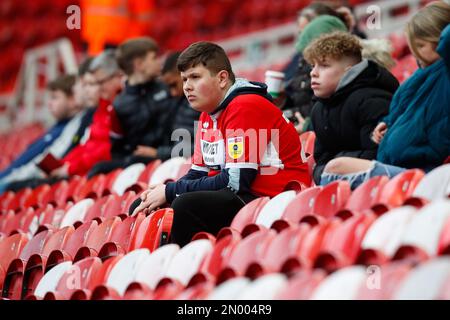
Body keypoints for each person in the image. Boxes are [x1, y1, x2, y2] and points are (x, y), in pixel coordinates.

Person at [131, 42, 311, 246]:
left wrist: (171, 191)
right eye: (184, 80)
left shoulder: (245, 105)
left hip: (276, 196)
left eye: (195, 77)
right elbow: (198, 173)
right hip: (246, 193)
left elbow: (236, 181)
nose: (187, 86)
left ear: (222, 78)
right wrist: (165, 191)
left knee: (186, 205)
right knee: (143, 205)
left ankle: (189, 268)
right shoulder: (209, 113)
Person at [318, 1, 450, 189]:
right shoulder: (417, 79)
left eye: (421, 45)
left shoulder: (446, 71)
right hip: (400, 167)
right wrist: (387, 124)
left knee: (337, 167)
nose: (415, 53)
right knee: (333, 170)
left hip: (427, 175)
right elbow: (402, 113)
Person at [303, 31, 399, 187]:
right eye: (313, 66)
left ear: (349, 71)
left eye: (324, 65)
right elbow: (321, 163)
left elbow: (376, 157)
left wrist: (338, 163)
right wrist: (333, 167)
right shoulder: (319, 109)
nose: (313, 73)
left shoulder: (372, 100)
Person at [88, 37, 174, 176]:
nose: (159, 62)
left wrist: (159, 153)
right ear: (139, 64)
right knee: (98, 170)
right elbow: (118, 149)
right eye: (153, 58)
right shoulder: (119, 105)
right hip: (139, 166)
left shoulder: (168, 89)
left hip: (171, 158)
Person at [51, 49, 123, 178]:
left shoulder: (118, 108)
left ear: (119, 76)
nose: (87, 90)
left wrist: (69, 169)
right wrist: (65, 164)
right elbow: (88, 146)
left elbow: (106, 151)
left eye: (93, 84)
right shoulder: (103, 107)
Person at [0, 75, 79, 191]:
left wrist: (6, 181)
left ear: (72, 100)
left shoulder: (68, 130)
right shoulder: (55, 128)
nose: (49, 103)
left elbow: (37, 164)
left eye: (55, 98)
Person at [135, 51, 200, 161]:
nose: (172, 92)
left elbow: (206, 147)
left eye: (174, 85)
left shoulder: (203, 104)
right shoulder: (178, 102)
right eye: (169, 87)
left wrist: (158, 153)